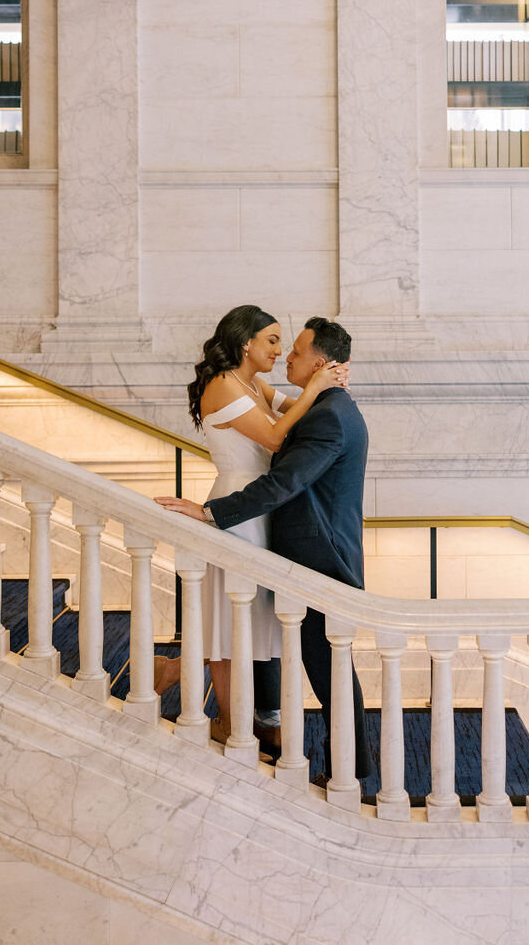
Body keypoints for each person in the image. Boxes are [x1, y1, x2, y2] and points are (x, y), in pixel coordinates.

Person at [157, 316, 373, 785]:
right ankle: (247, 725)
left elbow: (284, 479)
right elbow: (279, 440)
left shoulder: (328, 413)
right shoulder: (320, 406)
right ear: (245, 342)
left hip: (319, 554)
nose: (284, 355)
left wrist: (212, 513)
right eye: (276, 342)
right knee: (242, 628)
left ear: (319, 362)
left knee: (320, 662)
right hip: (259, 523)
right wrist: (319, 383)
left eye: (293, 349)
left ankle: (346, 772)